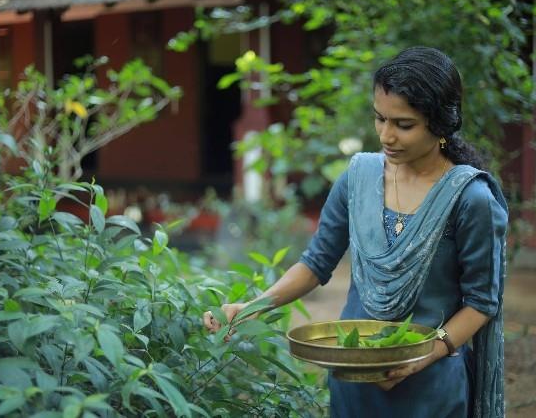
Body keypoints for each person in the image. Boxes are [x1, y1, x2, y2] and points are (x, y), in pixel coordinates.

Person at [203, 46, 508, 418]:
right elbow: (316, 262)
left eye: (403, 124)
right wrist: (250, 308)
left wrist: (427, 353)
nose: (386, 135)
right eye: (379, 119)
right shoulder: (359, 178)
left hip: (429, 386)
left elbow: (481, 302)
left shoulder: (469, 198)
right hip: (353, 382)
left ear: (441, 123)